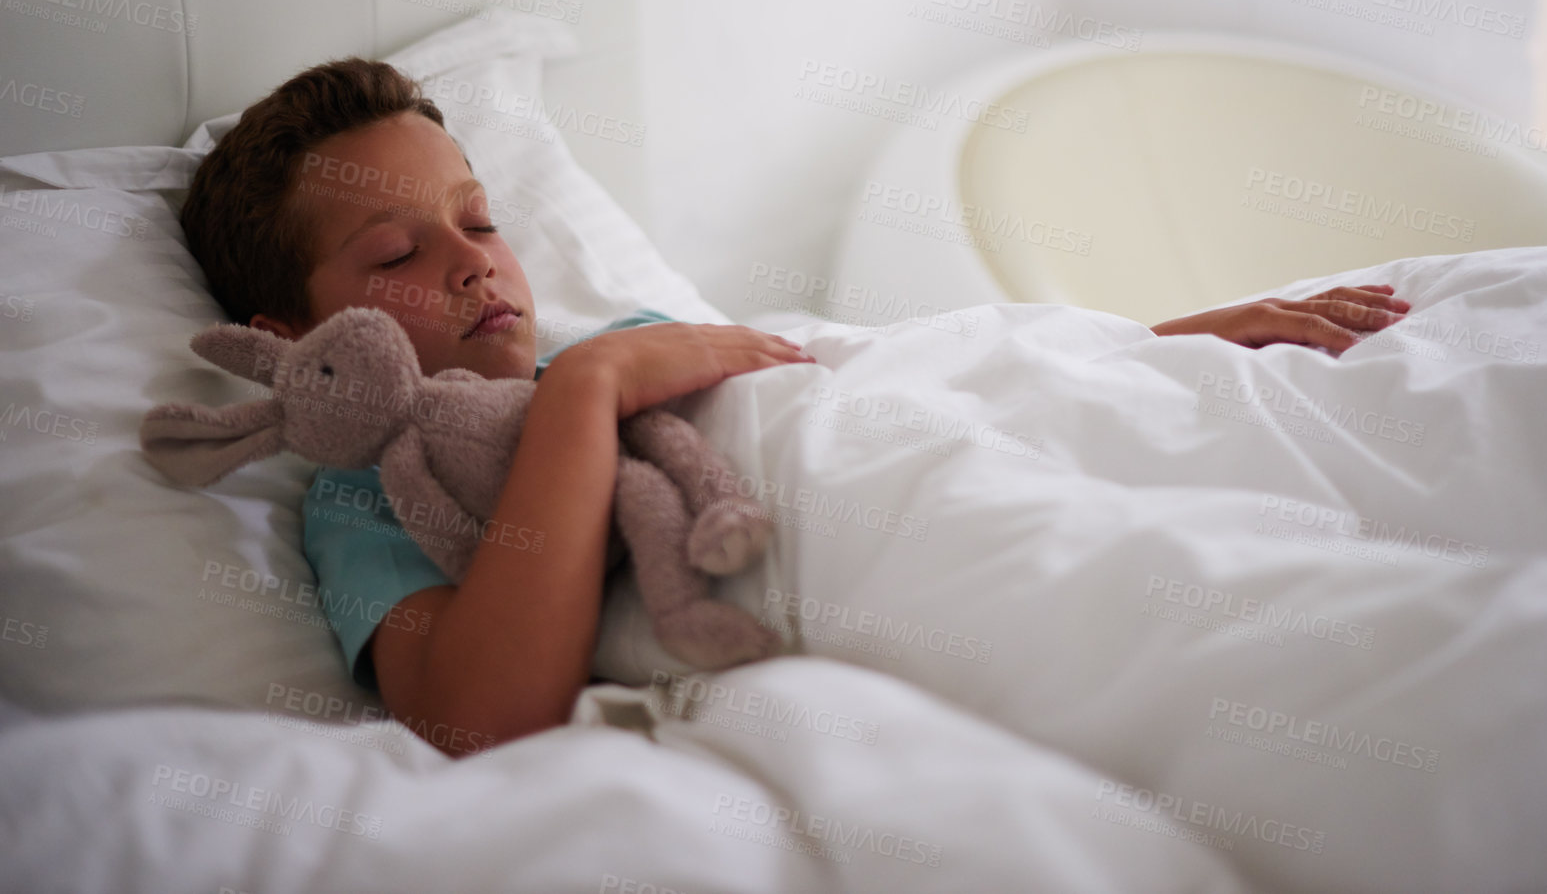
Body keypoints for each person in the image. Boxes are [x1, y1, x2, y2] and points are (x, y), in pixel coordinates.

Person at [179, 57, 1410, 754]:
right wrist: (585, 403)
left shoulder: (635, 341)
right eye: (397, 252)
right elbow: (481, 712)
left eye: (483, 220)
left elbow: (887, 375)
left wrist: (1158, 349)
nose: (474, 263)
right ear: (289, 340)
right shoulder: (367, 500)